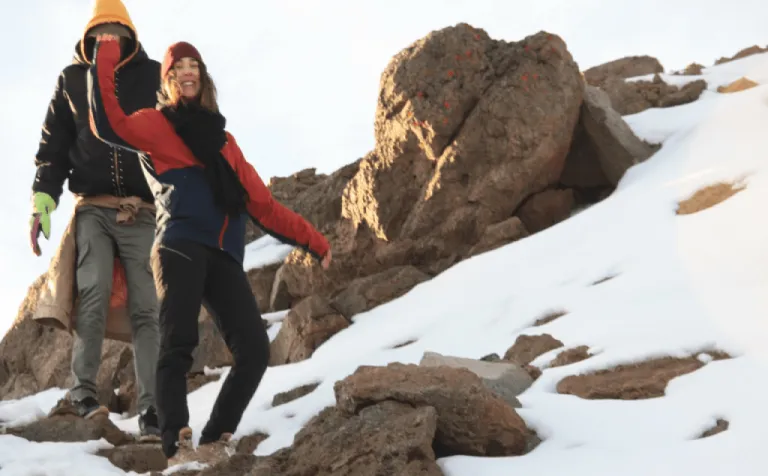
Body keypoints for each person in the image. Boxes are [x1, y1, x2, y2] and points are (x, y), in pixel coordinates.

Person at [88, 34, 332, 459]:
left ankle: (214, 440)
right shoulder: (157, 124)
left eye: (193, 67)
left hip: (223, 256)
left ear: (204, 79)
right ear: (167, 81)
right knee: (178, 342)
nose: (186, 73)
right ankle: (176, 443)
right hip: (179, 243)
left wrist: (313, 240)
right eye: (177, 68)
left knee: (255, 350)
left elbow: (264, 206)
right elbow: (110, 123)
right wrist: (105, 55)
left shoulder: (225, 143)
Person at [29, 0, 161, 439]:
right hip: (92, 208)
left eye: (114, 30)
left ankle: (153, 407)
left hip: (142, 211)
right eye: (99, 32)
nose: (107, 39)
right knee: (92, 292)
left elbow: (177, 135)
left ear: (129, 34)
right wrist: (43, 202)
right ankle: (83, 393)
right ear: (88, 35)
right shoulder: (72, 79)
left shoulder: (155, 75)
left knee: (147, 304)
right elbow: (53, 147)